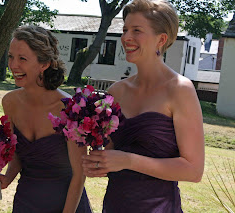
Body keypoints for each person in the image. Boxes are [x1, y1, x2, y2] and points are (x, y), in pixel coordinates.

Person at [82, 0, 205, 212]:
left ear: (161, 39)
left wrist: (128, 160)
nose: (126, 37)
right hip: (115, 205)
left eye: (136, 30)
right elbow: (111, 154)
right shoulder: (116, 92)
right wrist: (98, 162)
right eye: (125, 29)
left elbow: (193, 171)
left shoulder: (179, 90)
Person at [0, 25, 92, 213]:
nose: (13, 65)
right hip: (26, 203)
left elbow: (79, 175)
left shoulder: (70, 108)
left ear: (44, 64)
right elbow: (18, 153)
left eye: (22, 59)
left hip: (67, 205)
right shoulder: (10, 102)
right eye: (11, 56)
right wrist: (8, 178)